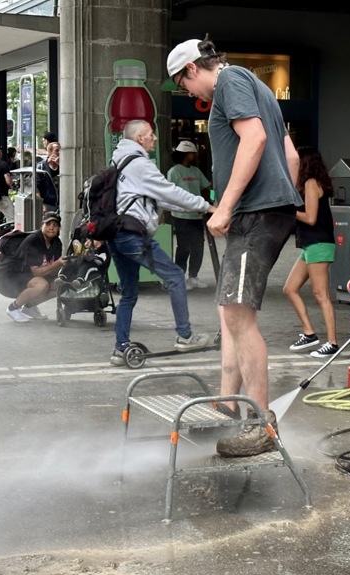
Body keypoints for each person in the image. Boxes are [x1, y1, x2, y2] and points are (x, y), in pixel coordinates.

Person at [168, 36, 303, 457]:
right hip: (263, 210)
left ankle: (261, 424)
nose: (189, 95)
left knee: (238, 315)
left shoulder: (231, 82)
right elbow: (291, 156)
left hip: (253, 213)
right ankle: (229, 403)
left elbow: (256, 139)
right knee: (231, 309)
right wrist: (282, 195)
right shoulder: (259, 89)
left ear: (192, 69)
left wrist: (225, 207)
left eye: (183, 84)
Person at [107, 119, 214, 366]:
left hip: (117, 234)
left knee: (129, 293)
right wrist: (206, 206)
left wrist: (195, 209)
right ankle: (185, 336)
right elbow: (169, 191)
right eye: (150, 134)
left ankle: (120, 347)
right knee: (176, 276)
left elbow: (156, 199)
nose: (154, 138)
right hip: (134, 235)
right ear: (139, 139)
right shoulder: (140, 164)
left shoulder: (119, 161)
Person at [283, 146, 338, 357]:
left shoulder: (311, 183)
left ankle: (332, 342)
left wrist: (289, 211)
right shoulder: (308, 183)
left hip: (318, 243)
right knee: (289, 288)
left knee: (321, 295)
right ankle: (309, 333)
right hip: (310, 245)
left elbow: (310, 218)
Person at [0, 212, 65, 322]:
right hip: (10, 276)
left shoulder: (57, 243)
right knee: (41, 285)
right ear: (42, 225)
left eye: (55, 225)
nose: (51, 228)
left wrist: (64, 265)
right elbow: (36, 273)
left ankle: (29, 307)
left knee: (59, 285)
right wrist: (57, 264)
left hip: (30, 275)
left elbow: (52, 271)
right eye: (48, 224)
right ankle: (13, 309)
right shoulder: (33, 240)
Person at [167, 140, 212, 290]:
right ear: (186, 155)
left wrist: (208, 201)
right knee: (184, 247)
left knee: (198, 246)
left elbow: (207, 187)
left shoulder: (196, 171)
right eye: (192, 153)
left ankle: (193, 277)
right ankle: (180, 277)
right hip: (181, 216)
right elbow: (168, 194)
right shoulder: (174, 172)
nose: (194, 156)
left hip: (197, 216)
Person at [35, 142, 60, 213]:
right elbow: (36, 187)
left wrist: (61, 165)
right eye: (57, 150)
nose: (59, 153)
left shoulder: (63, 166)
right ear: (50, 152)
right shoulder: (41, 167)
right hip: (47, 204)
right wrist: (41, 204)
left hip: (61, 203)